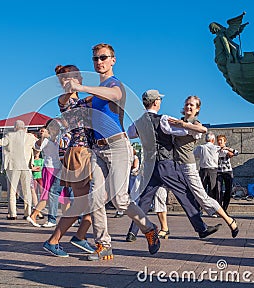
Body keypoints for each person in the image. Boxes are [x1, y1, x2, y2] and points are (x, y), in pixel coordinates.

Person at [64, 44, 160, 261]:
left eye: (103, 57)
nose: (99, 62)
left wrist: (83, 87)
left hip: (117, 146)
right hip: (97, 148)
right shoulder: (93, 94)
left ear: (113, 60)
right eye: (95, 59)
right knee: (95, 198)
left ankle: (149, 229)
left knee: (120, 200)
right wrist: (68, 91)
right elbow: (71, 106)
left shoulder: (114, 84)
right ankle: (103, 244)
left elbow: (115, 95)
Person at [127, 89, 221, 242]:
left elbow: (131, 134)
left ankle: (132, 232)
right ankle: (201, 229)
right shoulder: (163, 119)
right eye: (159, 100)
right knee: (184, 194)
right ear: (156, 102)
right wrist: (192, 127)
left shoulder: (139, 121)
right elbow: (183, 131)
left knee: (145, 199)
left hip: (150, 165)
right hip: (166, 164)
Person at [166, 96, 239, 238]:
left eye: (192, 105)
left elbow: (202, 130)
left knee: (202, 198)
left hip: (188, 166)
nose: (188, 107)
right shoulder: (179, 120)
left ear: (197, 109)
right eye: (187, 104)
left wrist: (182, 125)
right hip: (175, 165)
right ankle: (169, 228)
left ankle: (229, 220)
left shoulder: (194, 122)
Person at [42, 64, 95, 257]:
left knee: (88, 201)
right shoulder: (65, 100)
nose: (67, 83)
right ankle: (61, 239)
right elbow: (64, 100)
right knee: (86, 202)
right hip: (78, 153)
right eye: (63, 80)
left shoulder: (83, 99)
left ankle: (75, 237)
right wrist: (70, 86)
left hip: (86, 152)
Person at [0, 120, 37, 220]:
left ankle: (13, 213)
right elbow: (38, 146)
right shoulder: (30, 137)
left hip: (13, 166)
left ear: (15, 127)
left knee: (12, 191)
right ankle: (27, 213)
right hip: (26, 167)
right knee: (27, 191)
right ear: (24, 127)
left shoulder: (10, 136)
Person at [28, 119, 69, 228]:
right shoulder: (46, 139)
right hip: (50, 168)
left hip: (58, 168)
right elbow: (37, 147)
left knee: (63, 194)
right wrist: (42, 137)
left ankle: (68, 218)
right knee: (47, 195)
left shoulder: (59, 138)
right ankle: (34, 215)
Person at [194, 132, 220, 201]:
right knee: (213, 189)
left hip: (203, 170)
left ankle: (200, 206)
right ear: (213, 140)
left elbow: (194, 156)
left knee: (201, 188)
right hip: (213, 170)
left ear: (206, 140)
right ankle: (213, 206)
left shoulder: (201, 147)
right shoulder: (217, 148)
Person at [216, 134, 239, 212]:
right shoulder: (216, 150)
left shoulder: (227, 150)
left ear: (224, 141)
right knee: (218, 190)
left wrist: (227, 149)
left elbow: (236, 153)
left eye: (221, 140)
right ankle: (219, 208)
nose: (219, 142)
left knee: (228, 190)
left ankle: (225, 208)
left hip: (228, 172)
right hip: (218, 172)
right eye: (218, 140)